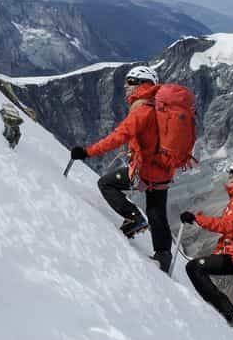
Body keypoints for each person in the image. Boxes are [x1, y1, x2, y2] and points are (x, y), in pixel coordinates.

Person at [69, 66, 176, 273]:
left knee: (106, 183)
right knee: (157, 212)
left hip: (146, 170)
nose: (126, 86)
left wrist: (87, 152)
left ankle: (134, 218)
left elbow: (118, 137)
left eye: (130, 82)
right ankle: (163, 257)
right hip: (163, 169)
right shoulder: (160, 107)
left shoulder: (142, 110)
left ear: (142, 84)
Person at [179, 155, 233, 340]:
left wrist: (196, 219)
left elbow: (226, 226)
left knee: (194, 267)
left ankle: (228, 312)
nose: (230, 176)